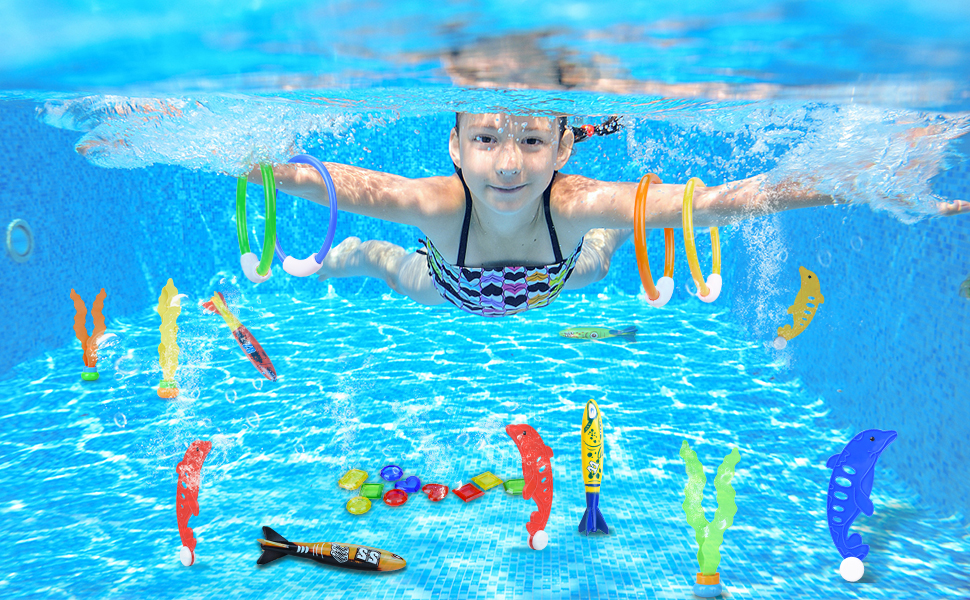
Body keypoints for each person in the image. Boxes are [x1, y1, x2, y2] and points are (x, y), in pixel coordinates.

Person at [247, 112, 968, 317]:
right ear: (455, 146)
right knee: (374, 256)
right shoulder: (440, 201)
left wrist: (867, 180)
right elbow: (345, 189)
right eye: (486, 140)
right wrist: (252, 163)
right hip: (446, 282)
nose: (506, 165)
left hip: (559, 276)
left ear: (561, 146)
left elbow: (726, 202)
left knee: (605, 239)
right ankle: (321, 262)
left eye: (532, 141)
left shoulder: (569, 199)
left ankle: (626, 210)